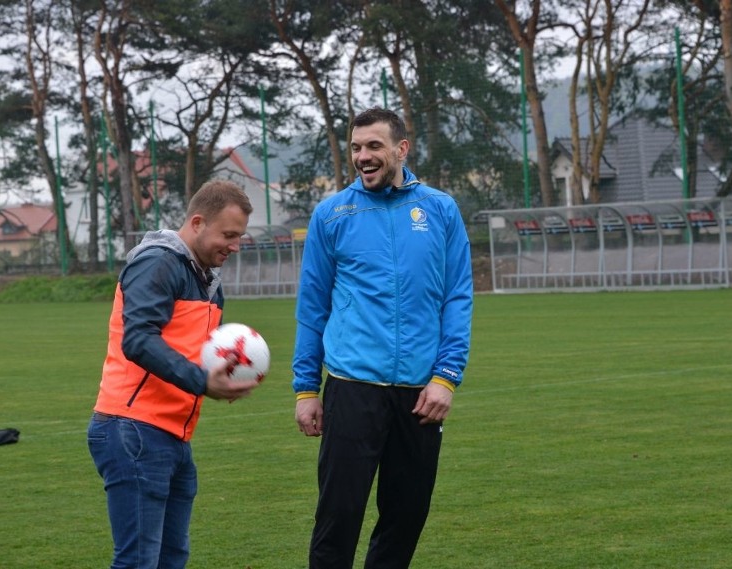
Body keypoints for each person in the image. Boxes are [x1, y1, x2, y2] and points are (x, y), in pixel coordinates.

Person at [292, 107, 473, 568]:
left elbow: (456, 298)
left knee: (406, 518)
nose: (363, 156)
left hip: (421, 394)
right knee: (339, 517)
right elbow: (313, 308)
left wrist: (446, 376)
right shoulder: (332, 215)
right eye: (356, 147)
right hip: (353, 389)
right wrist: (306, 389)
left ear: (401, 149)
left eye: (374, 146)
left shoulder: (440, 209)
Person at [88, 179, 261, 569]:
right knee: (138, 561)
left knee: (171, 557)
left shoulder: (207, 281)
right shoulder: (157, 262)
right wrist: (203, 382)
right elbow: (138, 340)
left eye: (240, 236)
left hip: (172, 435)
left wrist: (227, 369)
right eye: (229, 234)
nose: (235, 245)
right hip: (132, 430)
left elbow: (192, 345)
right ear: (197, 222)